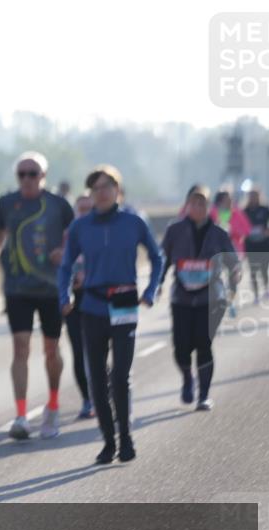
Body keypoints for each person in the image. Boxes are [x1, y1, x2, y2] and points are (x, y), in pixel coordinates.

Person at [58, 165, 164, 464]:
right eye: (96, 189)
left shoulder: (133, 222)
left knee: (119, 376)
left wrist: (152, 289)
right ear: (90, 194)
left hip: (124, 302)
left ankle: (126, 438)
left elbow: (157, 257)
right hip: (91, 305)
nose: (101, 193)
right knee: (97, 378)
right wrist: (64, 295)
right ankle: (108, 442)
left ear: (117, 190)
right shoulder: (81, 227)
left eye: (107, 187)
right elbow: (66, 265)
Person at [0, 151, 74, 439]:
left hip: (51, 287)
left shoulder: (59, 205)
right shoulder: (7, 202)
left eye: (32, 173)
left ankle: (53, 404)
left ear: (43, 176)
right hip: (17, 288)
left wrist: (67, 254)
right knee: (20, 348)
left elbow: (76, 235)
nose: (26, 179)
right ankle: (21, 415)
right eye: (21, 174)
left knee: (51, 349)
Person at [161, 185, 240, 411]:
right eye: (194, 202)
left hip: (209, 299)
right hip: (181, 298)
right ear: (187, 205)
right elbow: (163, 260)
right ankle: (187, 376)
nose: (198, 207)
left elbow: (233, 262)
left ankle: (203, 395)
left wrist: (235, 276)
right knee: (181, 347)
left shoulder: (219, 233)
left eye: (203, 202)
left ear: (209, 206)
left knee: (204, 345)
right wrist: (155, 285)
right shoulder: (174, 231)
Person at [64, 191, 95, 419]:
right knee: (77, 350)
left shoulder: (104, 233)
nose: (83, 213)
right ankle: (86, 399)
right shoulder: (66, 236)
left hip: (99, 298)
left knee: (99, 351)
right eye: (80, 209)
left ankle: (104, 393)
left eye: (88, 208)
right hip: (74, 299)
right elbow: (59, 267)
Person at [243, 189, 269, 304]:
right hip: (251, 245)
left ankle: (265, 288)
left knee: (264, 269)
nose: (253, 198)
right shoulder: (244, 211)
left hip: (264, 245)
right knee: (253, 270)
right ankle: (255, 294)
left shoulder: (265, 210)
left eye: (255, 196)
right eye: (251, 196)